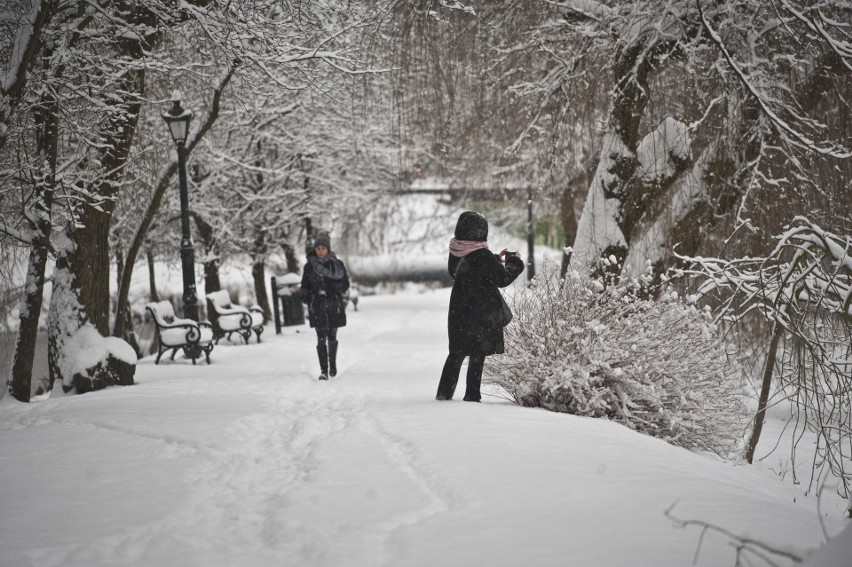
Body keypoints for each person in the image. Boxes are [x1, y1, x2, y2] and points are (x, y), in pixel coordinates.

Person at [436, 211, 524, 402]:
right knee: (477, 354)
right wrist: (514, 262)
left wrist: (494, 258)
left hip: (459, 310)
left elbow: (472, 265)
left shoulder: (456, 249)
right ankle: (472, 395)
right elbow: (502, 278)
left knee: (456, 354)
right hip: (480, 312)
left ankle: (444, 394)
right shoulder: (481, 255)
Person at [301, 231, 350, 380]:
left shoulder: (337, 265)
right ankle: (324, 371)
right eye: (318, 248)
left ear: (328, 248)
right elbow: (305, 286)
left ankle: (333, 366)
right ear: (315, 250)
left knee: (332, 337)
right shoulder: (309, 267)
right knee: (320, 338)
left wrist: (333, 289)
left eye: (323, 248)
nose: (320, 251)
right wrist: (308, 297)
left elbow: (345, 284)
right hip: (317, 306)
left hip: (333, 304)